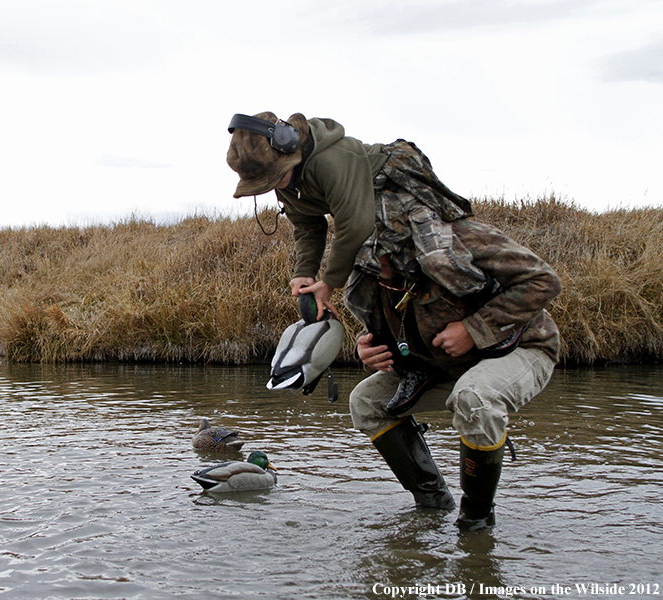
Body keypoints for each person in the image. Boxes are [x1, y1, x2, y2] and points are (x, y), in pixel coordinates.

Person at [226, 111, 561, 530]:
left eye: (381, 249)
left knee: (476, 399)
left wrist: (474, 330)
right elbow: (315, 237)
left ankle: (475, 523)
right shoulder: (368, 271)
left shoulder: (462, 239)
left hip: (520, 347)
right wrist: (370, 346)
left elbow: (543, 280)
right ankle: (432, 504)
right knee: (365, 401)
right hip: (440, 366)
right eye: (366, 252)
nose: (378, 263)